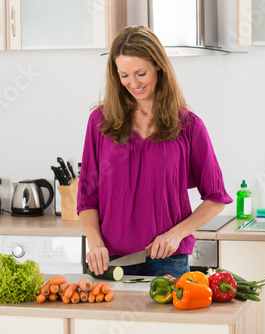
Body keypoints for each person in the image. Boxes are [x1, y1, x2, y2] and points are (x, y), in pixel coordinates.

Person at [77, 26, 232, 278]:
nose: (133, 83)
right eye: (124, 75)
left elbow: (216, 198)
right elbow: (87, 198)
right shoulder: (100, 123)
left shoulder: (189, 126)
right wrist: (95, 243)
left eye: (141, 73)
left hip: (168, 261)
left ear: (158, 66)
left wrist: (176, 233)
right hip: (111, 260)